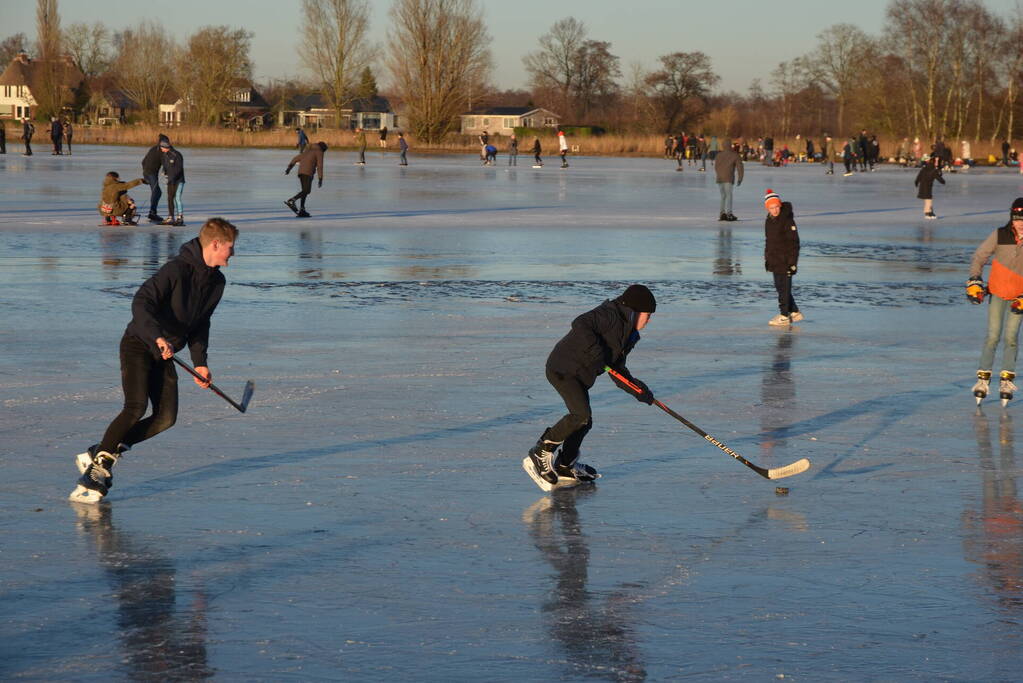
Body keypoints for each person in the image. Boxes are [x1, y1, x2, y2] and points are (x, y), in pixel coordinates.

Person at [69, 218, 239, 504]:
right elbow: (141, 302)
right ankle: (96, 471)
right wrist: (157, 337)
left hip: (166, 352)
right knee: (135, 407)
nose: (233, 253)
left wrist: (200, 363)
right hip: (139, 344)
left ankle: (101, 451)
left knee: (165, 418)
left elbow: (201, 324)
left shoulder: (216, 282)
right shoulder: (176, 270)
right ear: (216, 244)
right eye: (231, 248)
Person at [523, 284, 657, 490]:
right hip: (563, 369)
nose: (649, 321)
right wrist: (596, 352)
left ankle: (565, 465)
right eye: (647, 315)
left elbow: (617, 369)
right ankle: (541, 451)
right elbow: (581, 323)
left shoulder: (629, 335)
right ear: (633, 312)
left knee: (585, 422)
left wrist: (639, 391)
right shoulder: (609, 315)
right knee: (580, 415)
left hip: (581, 376)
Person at [967, 198, 1023, 405]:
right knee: (992, 336)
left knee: (1011, 338)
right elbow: (980, 256)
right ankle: (983, 380)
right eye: (1017, 219)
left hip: (1020, 298)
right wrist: (975, 279)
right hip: (998, 293)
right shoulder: (1000, 235)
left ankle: (1006, 381)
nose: (1021, 223)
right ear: (1011, 218)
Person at [763, 189, 803, 326]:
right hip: (775, 259)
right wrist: (767, 259)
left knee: (784, 288)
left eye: (776, 207)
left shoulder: (787, 220)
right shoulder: (769, 221)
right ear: (767, 208)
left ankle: (784, 315)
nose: (774, 210)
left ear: (780, 206)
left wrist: (792, 263)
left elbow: (794, 244)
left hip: (786, 260)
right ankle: (795, 312)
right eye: (771, 208)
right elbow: (768, 241)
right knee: (779, 287)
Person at [285, 140, 327, 217]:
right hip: (308, 172)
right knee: (307, 190)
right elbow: (320, 166)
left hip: (301, 172)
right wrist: (320, 178)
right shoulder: (319, 151)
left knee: (304, 191)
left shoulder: (308, 150)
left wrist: (289, 168)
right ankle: (292, 200)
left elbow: (296, 158)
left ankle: (302, 209)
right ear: (323, 149)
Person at [141, 134, 168, 222]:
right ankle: (152, 213)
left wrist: (145, 172)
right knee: (156, 191)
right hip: (151, 173)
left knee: (158, 192)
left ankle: (153, 212)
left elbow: (143, 161)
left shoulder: (153, 148)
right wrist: (165, 171)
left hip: (147, 173)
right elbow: (165, 163)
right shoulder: (161, 151)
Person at [715, 141, 744, 222]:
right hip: (728, 177)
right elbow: (740, 168)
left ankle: (722, 214)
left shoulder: (719, 155)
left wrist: (719, 174)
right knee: (728, 196)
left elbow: (716, 166)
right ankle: (729, 214)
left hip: (720, 178)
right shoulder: (735, 155)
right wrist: (740, 178)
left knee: (723, 196)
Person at [160, 138, 186, 226]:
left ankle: (180, 217)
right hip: (170, 181)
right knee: (170, 198)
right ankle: (171, 217)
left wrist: (173, 177)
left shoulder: (177, 155)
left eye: (162, 147)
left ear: (166, 147)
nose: (161, 149)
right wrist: (164, 171)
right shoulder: (164, 155)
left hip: (179, 180)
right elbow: (165, 165)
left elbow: (179, 169)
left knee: (177, 198)